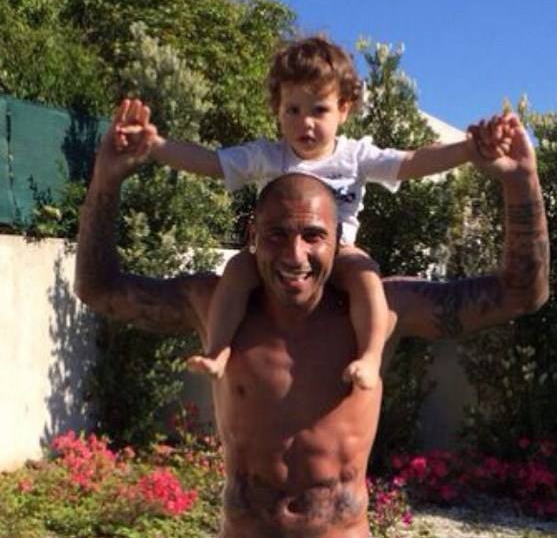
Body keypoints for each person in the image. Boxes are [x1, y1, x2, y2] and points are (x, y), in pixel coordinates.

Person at [76, 99, 549, 538]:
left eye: (313, 235)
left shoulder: (381, 311)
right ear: (252, 235)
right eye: (277, 235)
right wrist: (107, 179)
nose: (295, 254)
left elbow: (520, 294)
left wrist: (520, 180)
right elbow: (98, 289)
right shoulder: (217, 304)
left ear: (339, 240)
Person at [113, 36, 512, 390]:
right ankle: (218, 351)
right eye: (293, 110)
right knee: (236, 268)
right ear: (277, 109)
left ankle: (370, 357)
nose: (305, 123)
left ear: (344, 110)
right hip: (273, 257)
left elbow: (411, 162)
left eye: (319, 110)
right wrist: (156, 146)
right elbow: (210, 162)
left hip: (338, 254)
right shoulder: (267, 156)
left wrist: (467, 149)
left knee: (368, 276)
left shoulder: (355, 156)